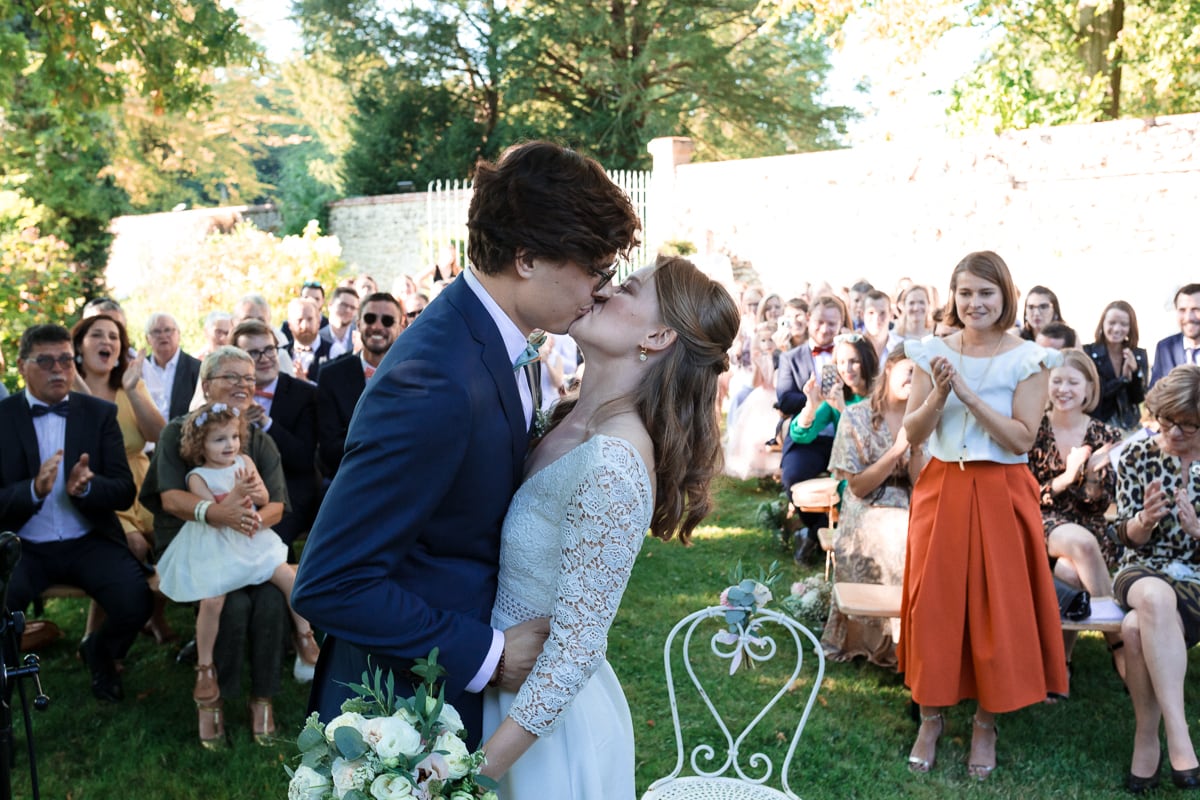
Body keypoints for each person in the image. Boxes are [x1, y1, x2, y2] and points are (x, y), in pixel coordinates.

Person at [292, 140, 641, 746]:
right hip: (402, 706)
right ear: (528, 258)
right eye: (594, 267)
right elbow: (331, 581)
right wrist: (489, 655)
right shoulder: (436, 377)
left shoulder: (507, 339)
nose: (601, 289)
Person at [479, 255, 739, 797]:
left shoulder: (613, 465)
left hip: (539, 738)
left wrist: (467, 775)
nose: (600, 291)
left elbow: (574, 651)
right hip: (495, 680)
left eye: (627, 287)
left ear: (659, 334)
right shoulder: (566, 419)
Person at [899, 251, 1067, 780]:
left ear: (1004, 297)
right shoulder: (931, 353)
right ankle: (930, 717)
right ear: (954, 296)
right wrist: (941, 392)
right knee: (936, 605)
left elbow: (1021, 436)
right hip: (943, 486)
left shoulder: (1029, 359)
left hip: (1001, 489)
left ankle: (985, 725)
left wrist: (967, 395)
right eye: (966, 292)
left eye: (986, 293)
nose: (975, 303)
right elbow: (914, 432)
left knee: (996, 608)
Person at [140, 346, 294, 746]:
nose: (244, 384)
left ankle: (263, 697)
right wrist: (218, 514)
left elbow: (277, 504)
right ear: (206, 385)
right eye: (232, 377)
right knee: (235, 605)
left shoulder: (258, 441)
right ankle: (213, 696)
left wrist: (249, 521)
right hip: (196, 545)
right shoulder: (179, 431)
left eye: (249, 377)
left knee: (272, 601)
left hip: (249, 541)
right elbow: (172, 498)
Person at [0, 324, 148, 702]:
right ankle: (7, 678)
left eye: (66, 360)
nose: (58, 370)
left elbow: (123, 489)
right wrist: (32, 490)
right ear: (21, 366)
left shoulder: (99, 414)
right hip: (24, 546)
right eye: (45, 361)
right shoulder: (3, 417)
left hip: (89, 539)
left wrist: (88, 487)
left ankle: (101, 653)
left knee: (136, 600)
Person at [155, 402, 319, 717]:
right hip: (216, 542)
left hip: (248, 538)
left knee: (288, 576)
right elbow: (217, 516)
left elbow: (262, 499)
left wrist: (251, 490)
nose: (229, 445)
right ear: (199, 444)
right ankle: (204, 664)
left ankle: (305, 634)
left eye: (233, 437)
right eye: (219, 440)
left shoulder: (244, 461)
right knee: (213, 600)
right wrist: (237, 492)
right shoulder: (196, 477)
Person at [1111, 366, 1200, 792]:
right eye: (1165, 423)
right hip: (1142, 568)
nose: (1172, 434)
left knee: (1133, 628)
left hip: (1197, 579)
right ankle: (1180, 737)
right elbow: (1123, 534)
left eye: (1185, 425)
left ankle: (1146, 738)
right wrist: (1144, 521)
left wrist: (1198, 531)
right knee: (1153, 596)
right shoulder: (1136, 456)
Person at [71, 315, 173, 643]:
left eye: (114, 337)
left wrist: (132, 390)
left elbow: (159, 435)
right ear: (79, 346)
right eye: (97, 335)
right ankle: (98, 636)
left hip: (141, 480)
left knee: (170, 539)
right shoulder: (65, 388)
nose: (108, 342)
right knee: (133, 545)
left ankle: (154, 616)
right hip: (97, 487)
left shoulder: (131, 382)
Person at [822, 348, 925, 668]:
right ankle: (886, 644)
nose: (915, 380)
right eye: (910, 371)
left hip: (913, 501)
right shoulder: (857, 415)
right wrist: (897, 450)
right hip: (866, 504)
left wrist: (917, 445)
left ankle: (921, 638)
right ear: (891, 368)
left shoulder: (924, 418)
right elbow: (857, 487)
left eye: (923, 376)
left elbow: (920, 483)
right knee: (901, 534)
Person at [1026, 349, 1123, 677]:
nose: (1063, 389)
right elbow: (1026, 493)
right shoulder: (1032, 430)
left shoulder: (1107, 436)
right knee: (1079, 545)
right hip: (1042, 519)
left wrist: (1093, 475)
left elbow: (1100, 504)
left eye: (1072, 382)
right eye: (1057, 381)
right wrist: (1067, 477)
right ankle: (1119, 642)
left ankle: (1060, 665)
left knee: (1068, 572)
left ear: (1088, 389)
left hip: (1093, 525)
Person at [233, 319, 320, 550]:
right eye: (254, 353)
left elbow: (303, 459)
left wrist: (266, 423)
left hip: (287, 493)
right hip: (234, 490)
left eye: (269, 349)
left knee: (260, 543)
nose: (265, 358)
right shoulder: (229, 394)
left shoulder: (305, 394)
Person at [777, 294, 849, 563]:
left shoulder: (850, 353)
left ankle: (841, 533)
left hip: (844, 434)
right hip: (807, 436)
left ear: (841, 324)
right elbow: (784, 398)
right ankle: (816, 529)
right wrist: (814, 401)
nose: (825, 329)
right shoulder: (791, 358)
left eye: (832, 324)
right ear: (808, 320)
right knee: (792, 477)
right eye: (820, 322)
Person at [316, 293, 403, 478]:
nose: (377, 326)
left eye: (387, 321)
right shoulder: (331, 375)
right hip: (348, 479)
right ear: (358, 324)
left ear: (400, 328)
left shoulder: (416, 376)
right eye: (370, 318)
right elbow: (329, 449)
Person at [788, 333, 878, 450]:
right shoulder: (837, 396)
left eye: (854, 361)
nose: (847, 369)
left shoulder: (882, 394)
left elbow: (871, 444)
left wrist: (843, 409)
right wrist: (811, 407)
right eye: (841, 362)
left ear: (868, 361)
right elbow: (799, 436)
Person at [1084, 300, 1150, 432]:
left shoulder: (1138, 354)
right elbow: (1097, 394)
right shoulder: (1088, 352)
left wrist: (1135, 372)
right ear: (1102, 323)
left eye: (1124, 324)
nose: (1117, 329)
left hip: (1130, 425)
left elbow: (1138, 398)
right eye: (1112, 323)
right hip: (1099, 426)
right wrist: (1123, 379)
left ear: (1131, 327)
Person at [141, 312, 203, 422]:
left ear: (178, 334)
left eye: (168, 330)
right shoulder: (140, 368)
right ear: (147, 339)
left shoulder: (196, 368)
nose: (163, 335)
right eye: (156, 331)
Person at [1149, 283, 1200, 387]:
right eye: (1182, 310)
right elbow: (1155, 394)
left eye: (1196, 309)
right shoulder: (1164, 348)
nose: (1188, 317)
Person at [283, 297, 333, 382]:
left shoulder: (334, 351)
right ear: (289, 324)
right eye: (299, 320)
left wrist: (306, 383)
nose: (305, 326)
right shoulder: (281, 354)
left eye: (310, 319)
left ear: (318, 322)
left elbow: (336, 392)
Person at [319, 286, 359, 360]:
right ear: (330, 305)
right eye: (343, 305)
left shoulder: (360, 339)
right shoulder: (318, 338)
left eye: (352, 307)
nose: (348, 310)